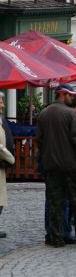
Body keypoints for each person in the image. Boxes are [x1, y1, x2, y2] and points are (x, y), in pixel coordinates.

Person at [37, 84, 76, 247]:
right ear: (63, 94)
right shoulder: (71, 114)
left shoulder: (43, 114)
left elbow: (40, 141)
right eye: (71, 95)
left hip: (52, 166)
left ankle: (55, 237)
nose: (73, 98)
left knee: (55, 202)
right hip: (72, 166)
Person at [0, 92, 15, 238]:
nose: (3, 105)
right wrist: (10, 158)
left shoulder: (1, 119)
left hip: (2, 165)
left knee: (1, 199)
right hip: (2, 161)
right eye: (0, 102)